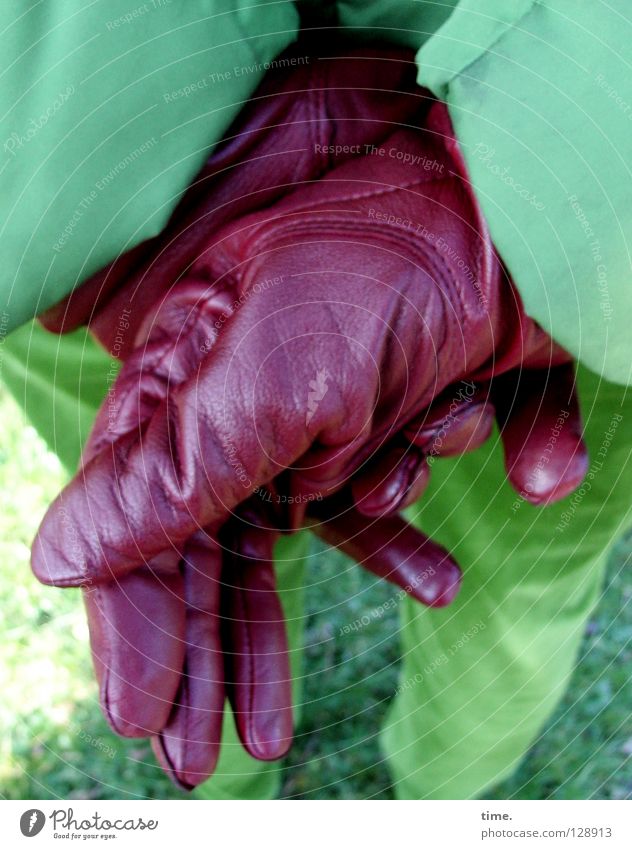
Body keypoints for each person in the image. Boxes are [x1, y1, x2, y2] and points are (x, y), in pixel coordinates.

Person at [1, 2, 631, 800]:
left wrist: (556, 202)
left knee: (507, 584)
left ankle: (437, 802)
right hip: (74, 232)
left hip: (68, 203)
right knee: (184, 577)